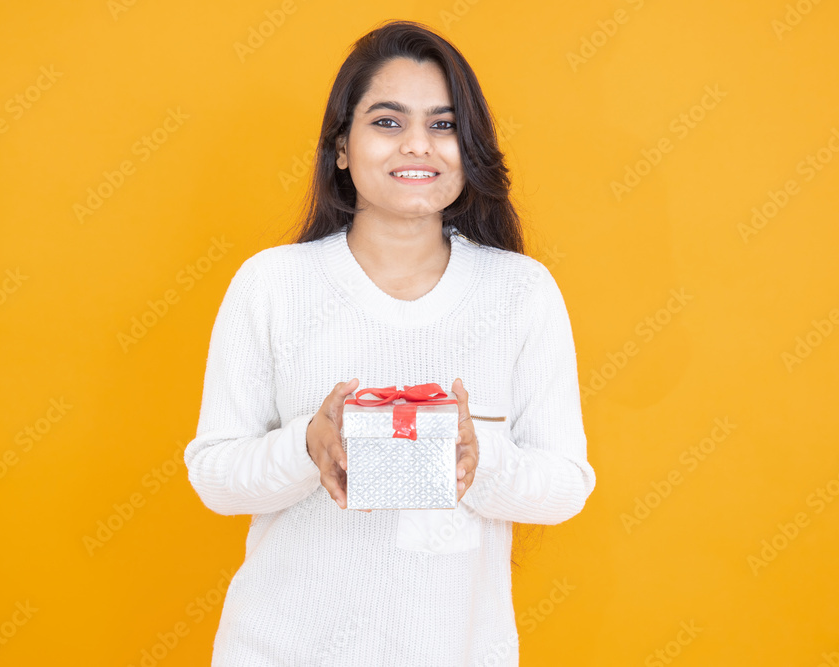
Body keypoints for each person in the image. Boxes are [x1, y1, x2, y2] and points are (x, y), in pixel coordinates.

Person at [183, 19, 596, 667]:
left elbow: (566, 485)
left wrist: (474, 458)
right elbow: (215, 476)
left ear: (470, 145)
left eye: (443, 124)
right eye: (386, 122)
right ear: (341, 147)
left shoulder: (521, 292)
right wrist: (306, 446)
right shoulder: (273, 283)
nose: (417, 146)